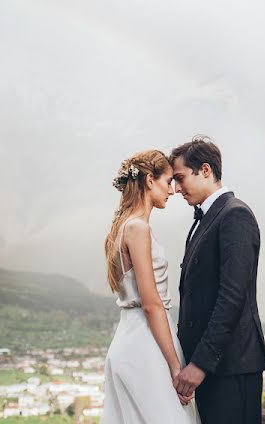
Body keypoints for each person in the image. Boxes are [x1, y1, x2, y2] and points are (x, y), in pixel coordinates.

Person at [170, 136, 265, 424]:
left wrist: (201, 364)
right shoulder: (203, 219)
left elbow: (232, 296)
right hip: (212, 365)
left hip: (230, 365)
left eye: (180, 178)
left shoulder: (235, 215)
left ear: (205, 170)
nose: (176, 189)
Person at [102, 149, 200, 423]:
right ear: (149, 181)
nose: (171, 191)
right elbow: (152, 304)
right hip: (148, 345)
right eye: (167, 182)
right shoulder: (138, 229)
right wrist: (174, 367)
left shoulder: (122, 228)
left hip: (129, 339)